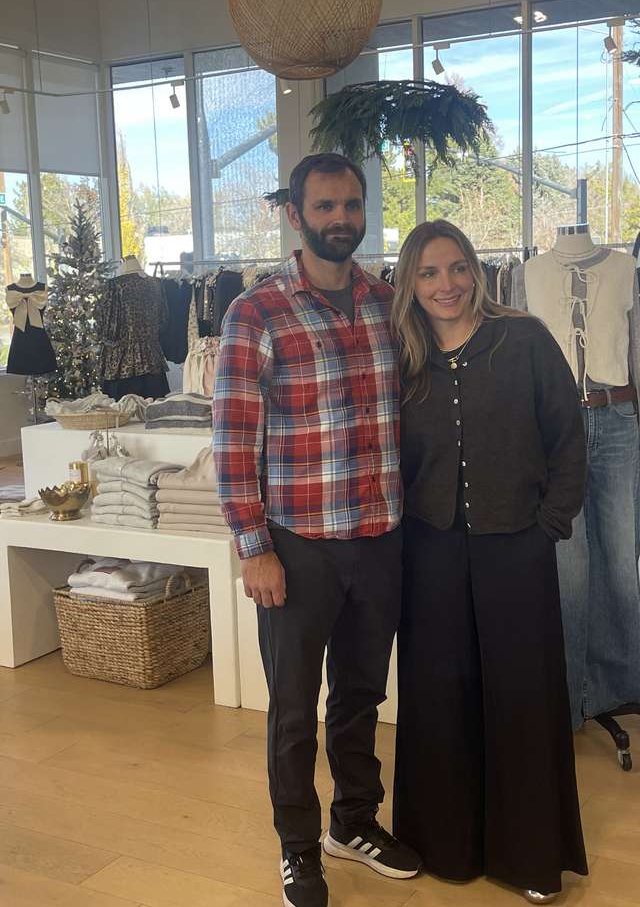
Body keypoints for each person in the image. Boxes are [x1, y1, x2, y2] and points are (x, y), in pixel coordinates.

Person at [212, 153, 421, 907]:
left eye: (353, 204)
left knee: (361, 693)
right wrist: (253, 546)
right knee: (295, 708)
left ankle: (354, 821)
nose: (342, 218)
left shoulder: (386, 302)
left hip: (380, 536)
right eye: (326, 206)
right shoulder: (255, 313)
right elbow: (235, 441)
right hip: (297, 545)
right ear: (295, 214)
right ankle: (299, 848)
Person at [390, 220, 589, 903]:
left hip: (516, 544)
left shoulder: (525, 339)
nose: (446, 285)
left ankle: (531, 857)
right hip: (430, 548)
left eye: (456, 268)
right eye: (429, 273)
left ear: (476, 270)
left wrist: (549, 526)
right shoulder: (403, 357)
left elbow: (569, 438)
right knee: (439, 697)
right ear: (410, 286)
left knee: (522, 697)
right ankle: (443, 846)